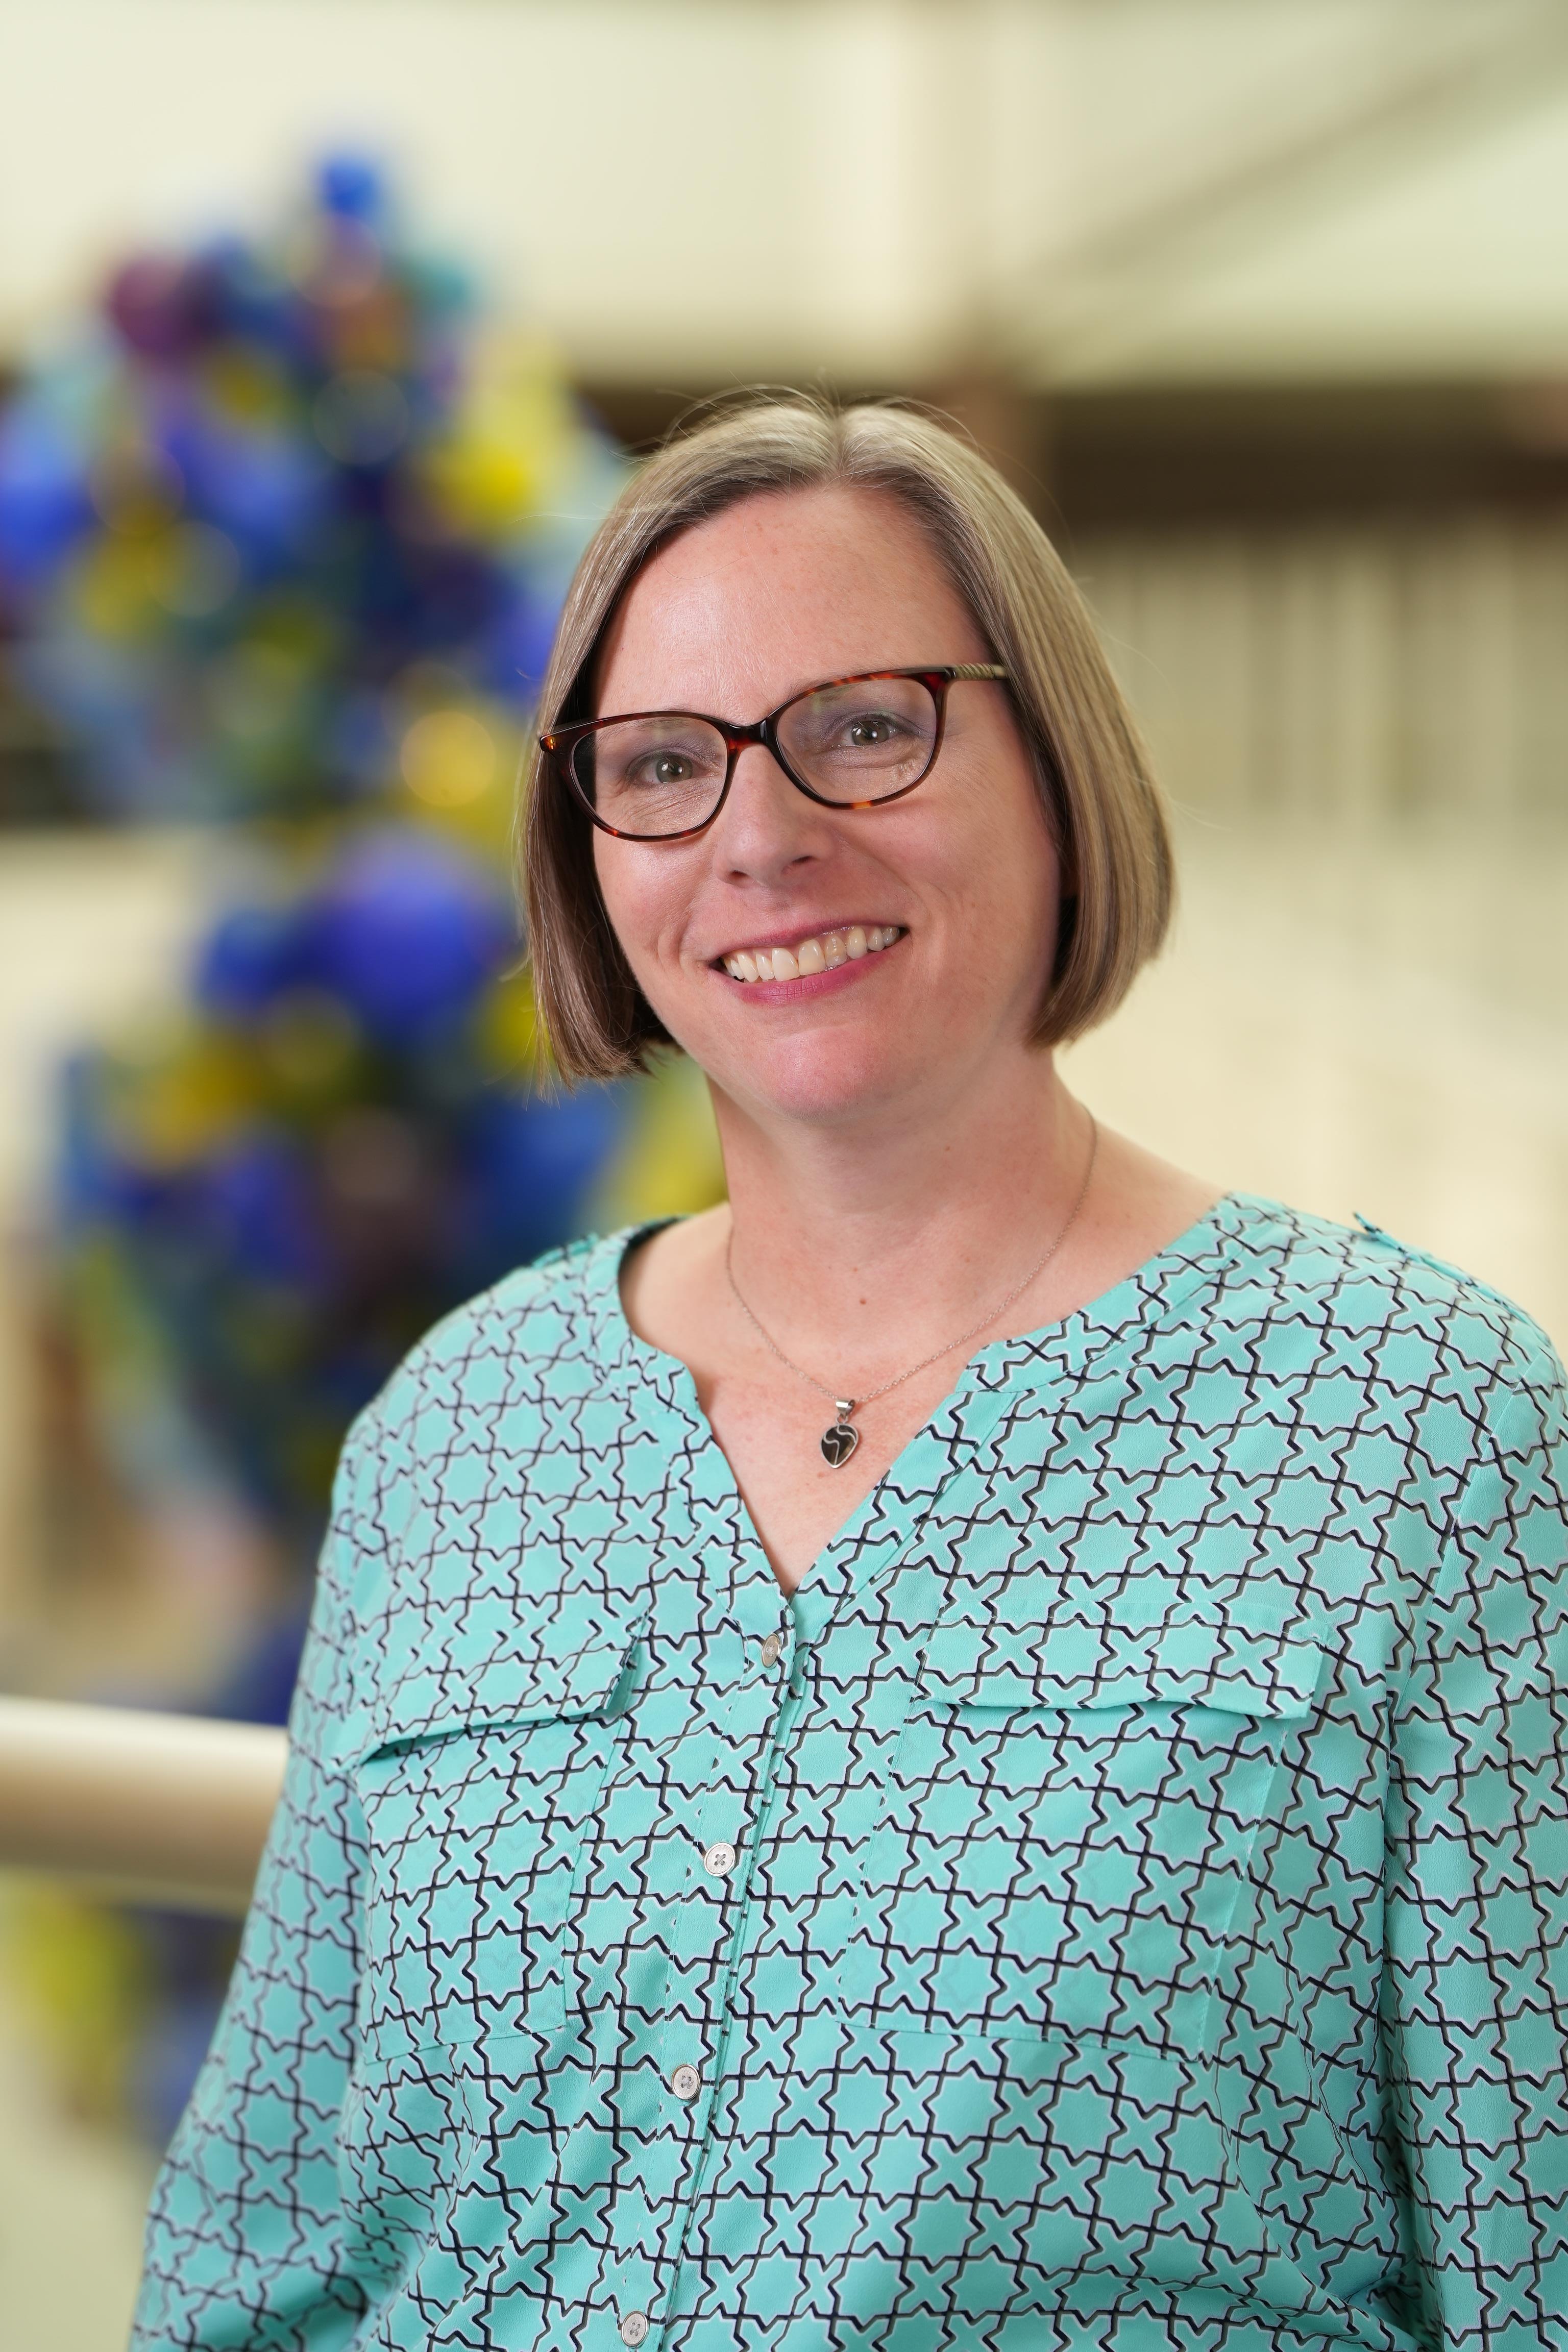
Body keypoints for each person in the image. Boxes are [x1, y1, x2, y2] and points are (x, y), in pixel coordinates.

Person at [132, 396, 1567, 2352]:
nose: (764, 836)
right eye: (660, 766)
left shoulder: (1411, 1432)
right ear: (590, 850)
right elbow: (258, 2258)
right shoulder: (457, 1438)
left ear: (1055, 763)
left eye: (867, 726)